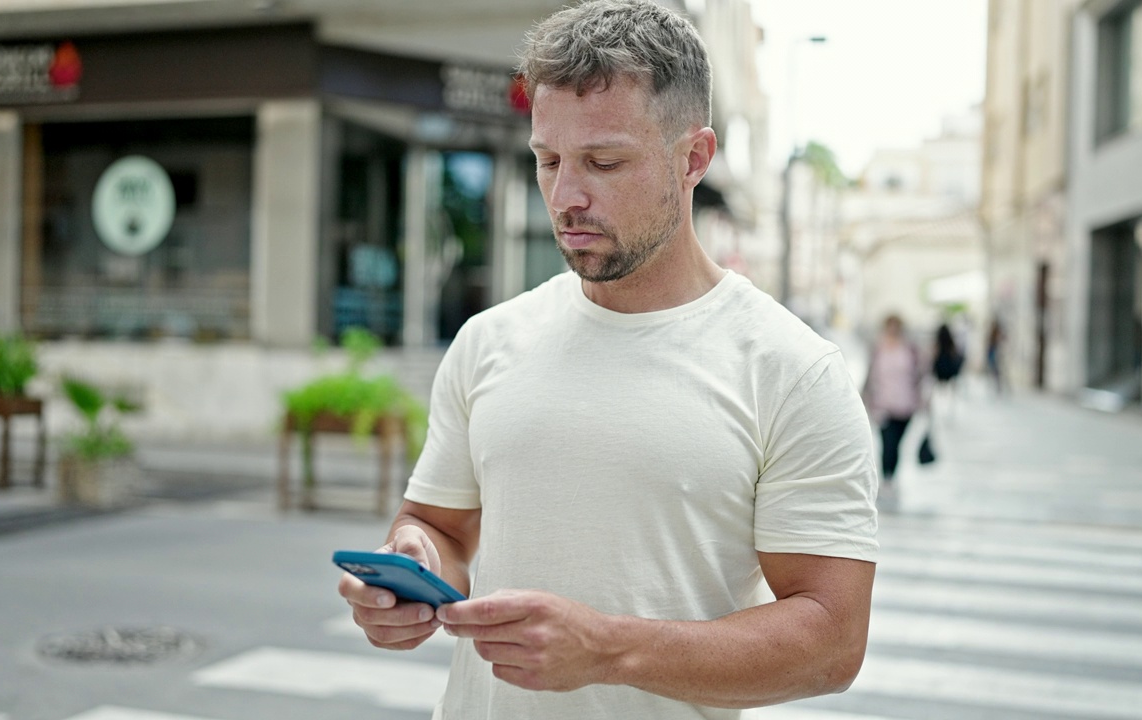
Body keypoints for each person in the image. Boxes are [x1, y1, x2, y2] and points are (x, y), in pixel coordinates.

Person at [337, 2, 878, 718]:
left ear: (693, 158)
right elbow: (439, 526)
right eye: (548, 160)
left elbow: (831, 643)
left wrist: (608, 650)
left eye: (603, 161)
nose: (566, 196)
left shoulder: (791, 370)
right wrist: (414, 567)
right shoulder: (489, 340)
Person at [862, 314, 926, 488]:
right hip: (883, 404)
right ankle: (887, 478)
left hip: (906, 405)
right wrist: (865, 397)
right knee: (887, 443)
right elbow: (870, 375)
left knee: (897, 443)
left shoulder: (910, 349)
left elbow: (920, 375)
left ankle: (892, 475)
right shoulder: (878, 349)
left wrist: (923, 398)